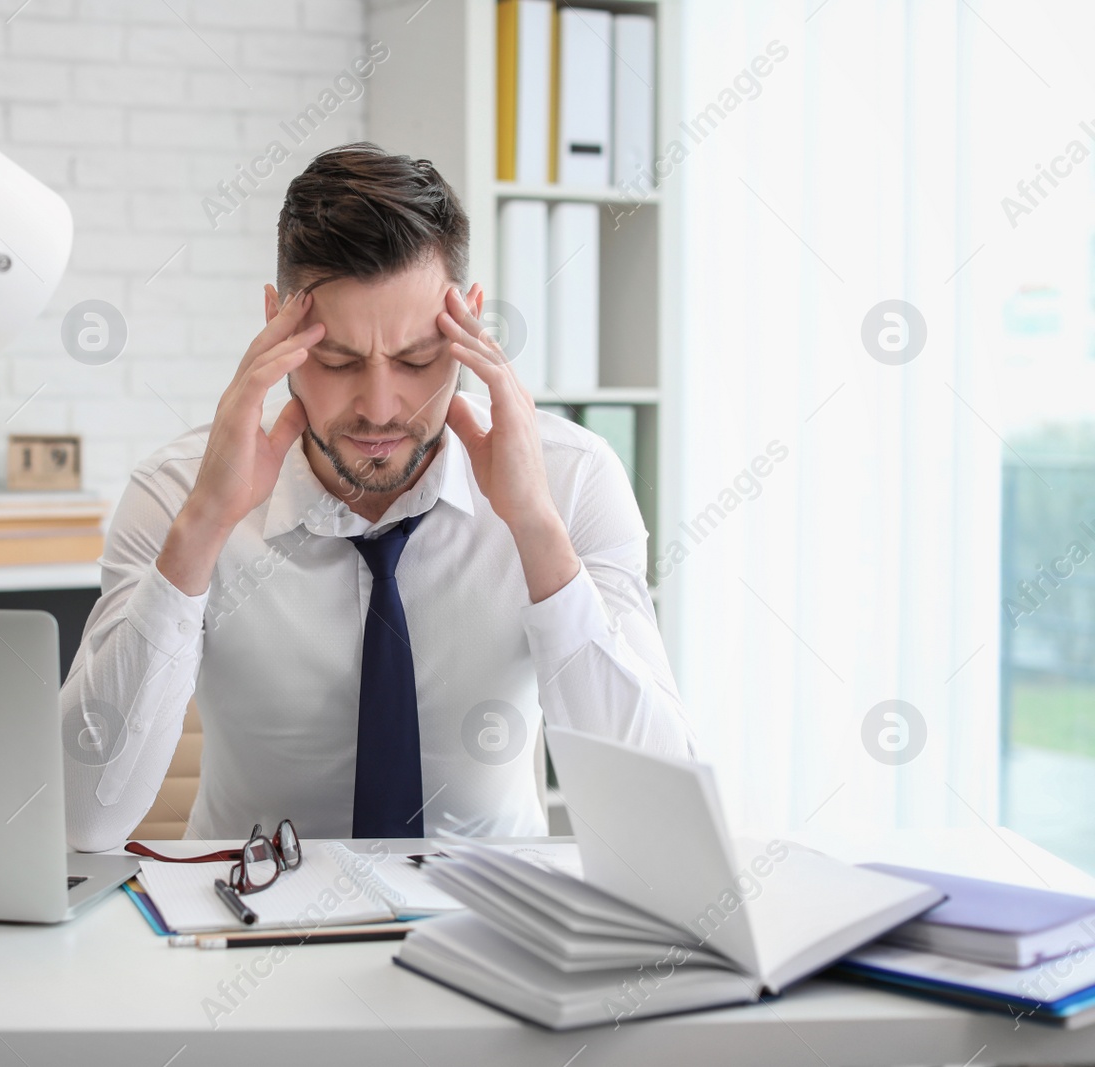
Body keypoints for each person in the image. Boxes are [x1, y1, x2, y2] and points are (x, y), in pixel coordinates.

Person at [62, 142, 693, 852]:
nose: (381, 406)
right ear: (277, 325)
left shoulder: (572, 479)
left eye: (418, 359)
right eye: (337, 360)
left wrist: (536, 530)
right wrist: (204, 526)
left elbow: (658, 815)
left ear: (470, 323)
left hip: (486, 931)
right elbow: (83, 818)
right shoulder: (178, 491)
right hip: (244, 924)